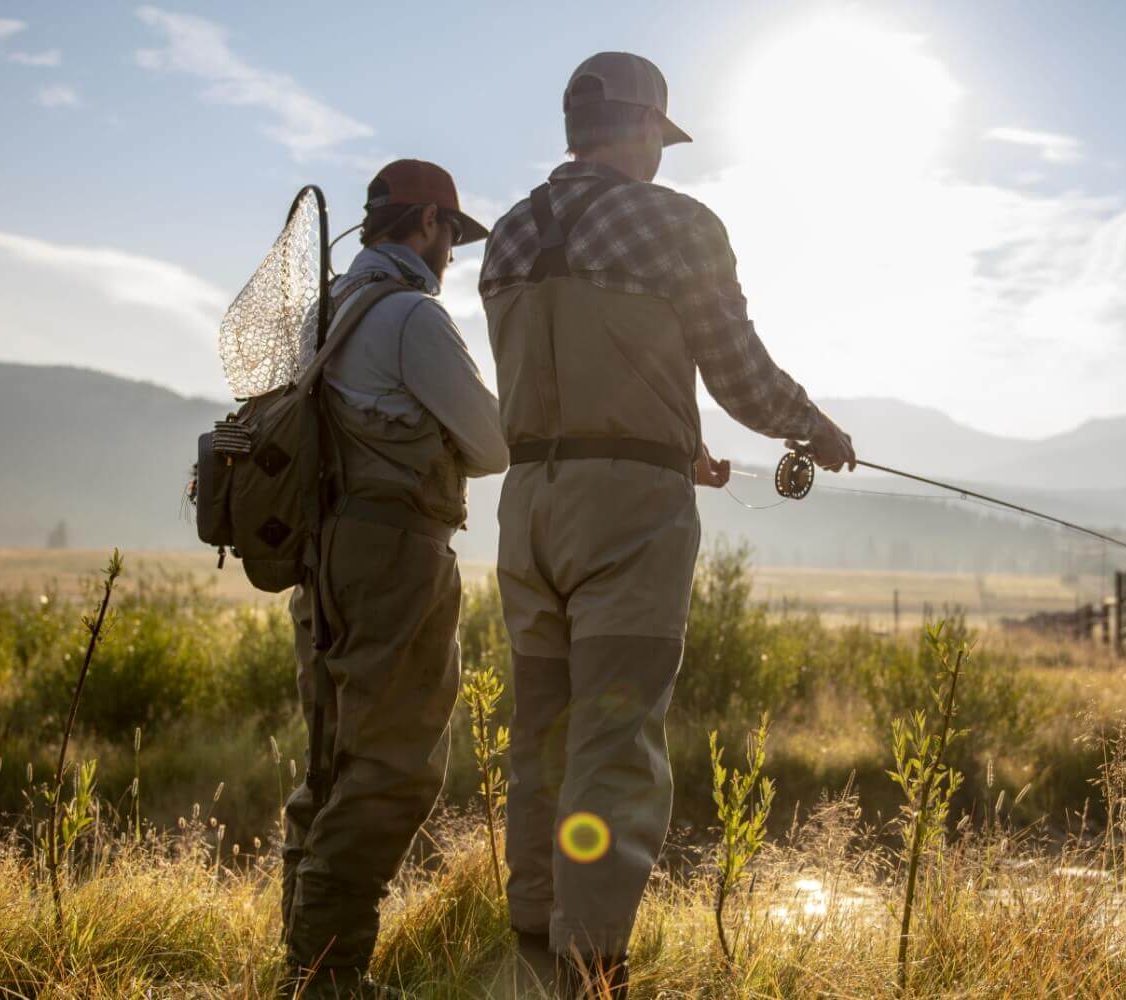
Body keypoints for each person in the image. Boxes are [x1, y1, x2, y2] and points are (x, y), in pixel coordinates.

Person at [478, 51, 855, 997]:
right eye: (662, 138)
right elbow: (739, 372)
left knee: (542, 737)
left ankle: (533, 949)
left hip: (525, 507)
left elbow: (557, 381)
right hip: (630, 519)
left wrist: (661, 438)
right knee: (614, 742)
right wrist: (813, 424)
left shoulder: (510, 233)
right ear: (645, 127)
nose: (663, 155)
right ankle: (594, 970)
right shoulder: (676, 224)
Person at [281, 158, 507, 999]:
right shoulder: (414, 316)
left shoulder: (325, 309)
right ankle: (333, 979)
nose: (453, 253)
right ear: (426, 226)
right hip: (396, 556)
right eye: (452, 234)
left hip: (322, 558)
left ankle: (304, 972)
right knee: (395, 767)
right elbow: (492, 446)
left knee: (329, 763)